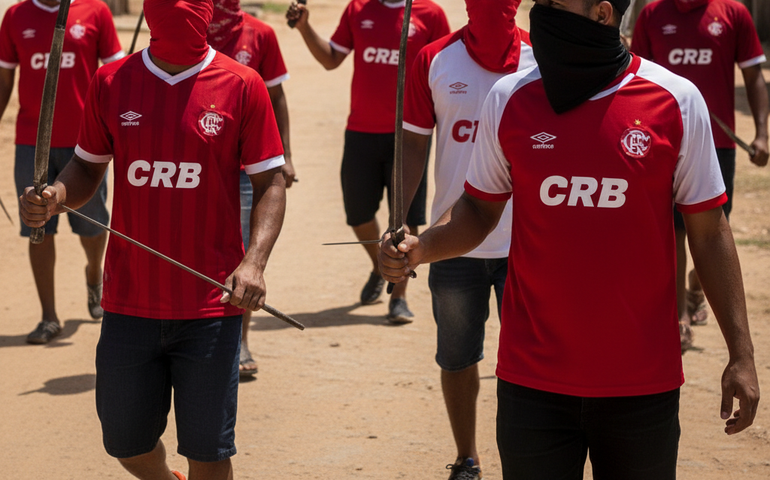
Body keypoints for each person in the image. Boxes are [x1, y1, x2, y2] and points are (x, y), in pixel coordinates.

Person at [379, 0, 759, 477]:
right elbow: (478, 209)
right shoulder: (508, 97)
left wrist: (741, 354)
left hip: (642, 383)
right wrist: (423, 248)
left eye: (557, 3)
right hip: (532, 383)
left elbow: (709, 234)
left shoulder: (675, 100)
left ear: (602, 13)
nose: (542, 10)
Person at [19, 0, 286, 478]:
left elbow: (271, 183)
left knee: (209, 453)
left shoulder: (243, 84)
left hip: (211, 305)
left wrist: (254, 263)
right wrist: (56, 195)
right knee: (126, 444)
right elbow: (86, 167)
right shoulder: (111, 81)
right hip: (129, 301)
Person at [399, 0, 534, 477]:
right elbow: (413, 141)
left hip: (528, 245)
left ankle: (525, 463)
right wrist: (401, 219)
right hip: (452, 242)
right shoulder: (434, 58)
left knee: (528, 364)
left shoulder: (542, 57)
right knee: (457, 357)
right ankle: (466, 458)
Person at [286, 0, 449, 323]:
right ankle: (380, 266)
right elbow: (331, 59)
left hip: (410, 134)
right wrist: (304, 28)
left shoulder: (430, 14)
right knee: (358, 213)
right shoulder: (358, 9)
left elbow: (446, 67)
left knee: (404, 216)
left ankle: (399, 297)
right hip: (361, 129)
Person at [630, 0, 769, 351]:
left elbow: (754, 75)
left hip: (718, 145)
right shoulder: (652, 15)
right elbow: (632, 74)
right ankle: (679, 319)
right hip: (662, 142)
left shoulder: (734, 14)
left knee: (711, 231)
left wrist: (762, 134)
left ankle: (696, 285)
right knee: (673, 230)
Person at [0, 0, 124, 344]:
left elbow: (117, 73)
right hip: (31, 143)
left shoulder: (96, 11)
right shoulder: (15, 16)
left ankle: (94, 277)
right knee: (37, 224)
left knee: (93, 224)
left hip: (86, 144)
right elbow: (4, 79)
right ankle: (48, 317)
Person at [208, 0, 296, 377]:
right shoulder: (187, 31)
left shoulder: (261, 34)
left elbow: (277, 96)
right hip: (200, 164)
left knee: (242, 254)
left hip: (248, 168)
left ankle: (239, 340)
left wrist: (284, 156)